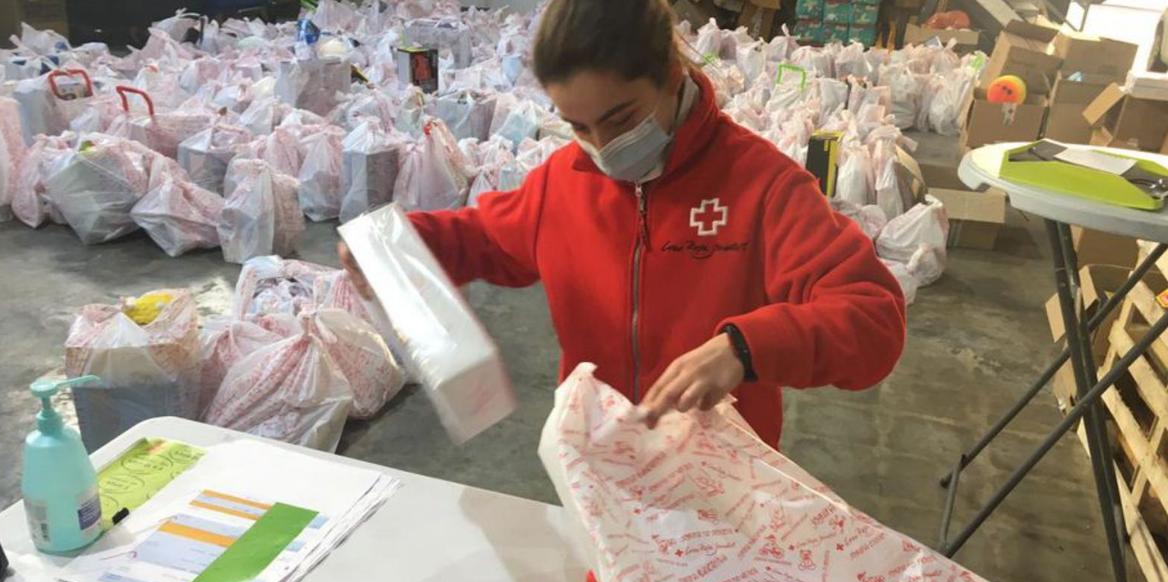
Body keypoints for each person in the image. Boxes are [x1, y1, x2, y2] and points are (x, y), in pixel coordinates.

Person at [340, 0, 906, 447]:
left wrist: (745, 348)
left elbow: (872, 319)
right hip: (600, 461)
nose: (603, 148)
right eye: (579, 127)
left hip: (723, 478)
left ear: (670, 73)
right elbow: (489, 238)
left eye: (621, 118)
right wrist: (400, 245)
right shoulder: (564, 180)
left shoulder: (762, 188)